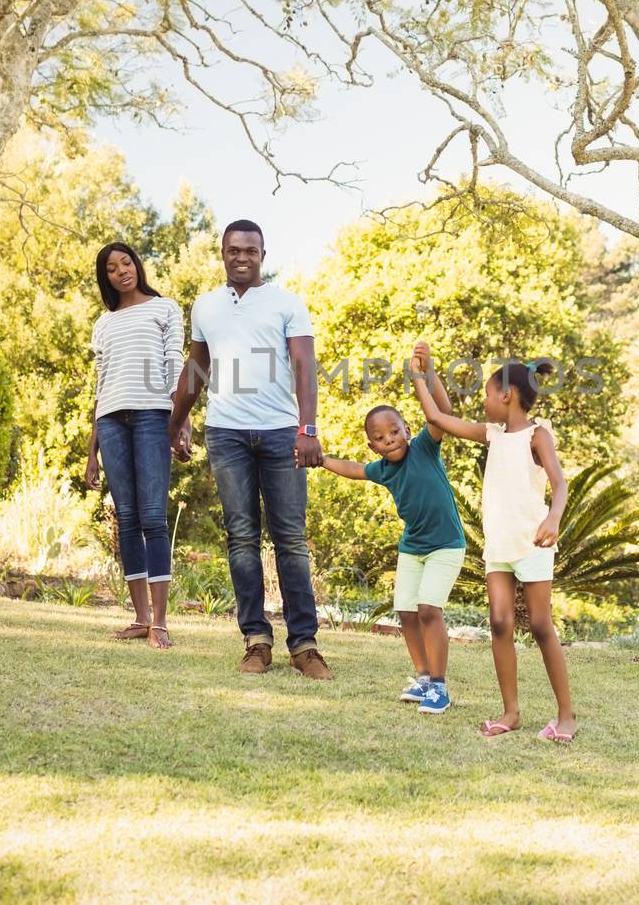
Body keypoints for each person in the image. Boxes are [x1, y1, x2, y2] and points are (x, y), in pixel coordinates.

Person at [167, 220, 331, 679]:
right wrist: (175, 424)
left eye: (251, 251)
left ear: (263, 254)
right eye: (234, 250)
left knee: (291, 541)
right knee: (241, 540)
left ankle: (305, 647)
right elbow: (195, 369)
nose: (242, 257)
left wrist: (308, 428)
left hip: (282, 434)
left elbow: (305, 367)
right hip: (226, 434)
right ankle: (256, 642)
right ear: (222, 252)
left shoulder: (287, 303)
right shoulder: (205, 307)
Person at [411, 348, 577, 742]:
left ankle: (566, 715)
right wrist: (421, 373)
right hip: (499, 546)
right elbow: (437, 417)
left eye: (487, 394)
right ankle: (511, 712)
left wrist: (553, 518)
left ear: (507, 396)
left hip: (533, 543)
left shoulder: (538, 435)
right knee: (500, 622)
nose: (483, 402)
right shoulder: (492, 435)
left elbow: (560, 484)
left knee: (540, 625)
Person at [320, 342, 466, 714]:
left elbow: (442, 413)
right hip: (413, 547)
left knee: (429, 608)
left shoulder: (424, 448)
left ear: (406, 429)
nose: (390, 440)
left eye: (395, 431)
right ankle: (422, 677)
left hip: (446, 545)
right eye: (381, 438)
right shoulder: (382, 469)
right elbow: (353, 470)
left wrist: (427, 371)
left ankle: (439, 687)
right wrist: (321, 460)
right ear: (374, 446)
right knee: (405, 611)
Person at [83, 242, 183, 650]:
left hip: (152, 416)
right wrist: (90, 452)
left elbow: (175, 365)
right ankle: (140, 618)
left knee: (153, 519)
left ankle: (160, 622)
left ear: (137, 266)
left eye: (126, 262)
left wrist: (182, 423)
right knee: (126, 519)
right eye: (111, 267)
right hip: (110, 421)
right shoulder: (103, 323)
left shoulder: (165, 308)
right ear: (105, 277)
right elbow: (101, 383)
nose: (121, 271)